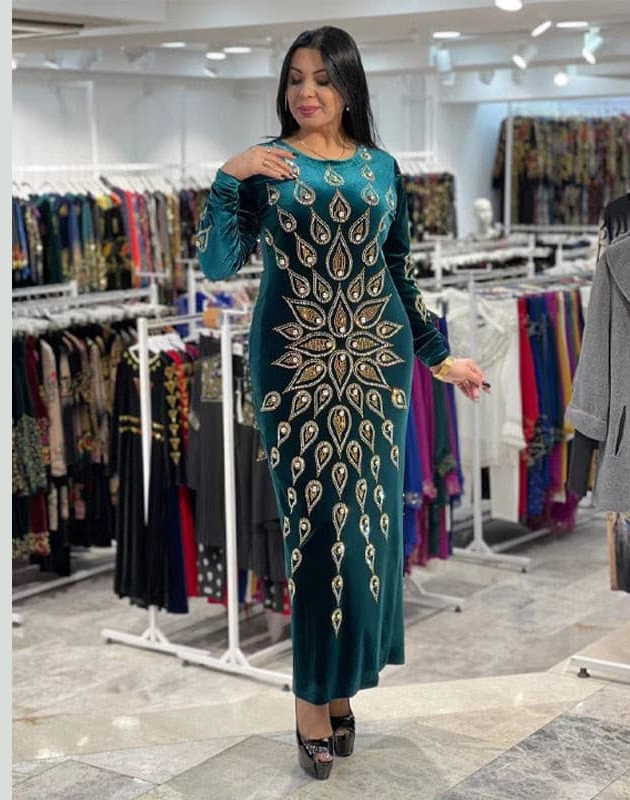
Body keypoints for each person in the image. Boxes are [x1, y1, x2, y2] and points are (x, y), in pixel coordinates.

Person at [197, 25, 487, 780]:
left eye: (322, 79)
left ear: (349, 86)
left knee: (367, 532)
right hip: (294, 367)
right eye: (295, 78)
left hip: (376, 367)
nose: (307, 92)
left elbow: (399, 270)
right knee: (316, 533)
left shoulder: (382, 168)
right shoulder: (268, 166)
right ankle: (309, 701)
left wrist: (438, 356)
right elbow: (219, 264)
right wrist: (229, 176)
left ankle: (341, 686)